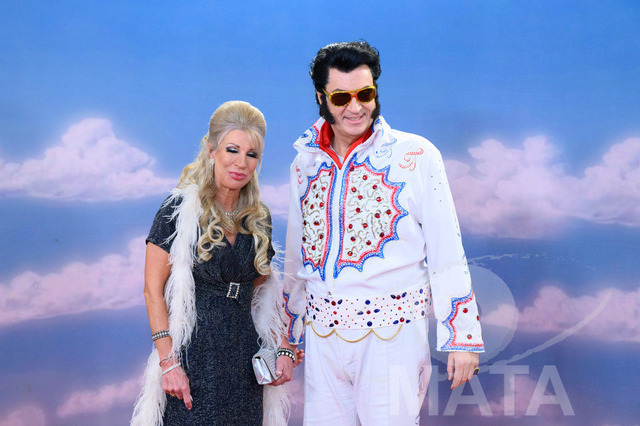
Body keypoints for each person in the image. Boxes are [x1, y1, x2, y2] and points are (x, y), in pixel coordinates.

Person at [283, 41, 485, 425]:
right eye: (341, 97)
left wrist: (462, 337)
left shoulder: (416, 155)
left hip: (392, 337)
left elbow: (446, 249)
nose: (355, 107)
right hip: (322, 336)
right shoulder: (304, 163)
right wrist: (288, 334)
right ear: (321, 98)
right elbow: (298, 254)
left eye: (365, 94)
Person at [131, 100, 300, 426]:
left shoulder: (258, 217)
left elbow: (262, 294)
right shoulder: (178, 210)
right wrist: (168, 362)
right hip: (193, 360)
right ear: (211, 151)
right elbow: (152, 291)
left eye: (251, 154)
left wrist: (282, 347)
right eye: (232, 150)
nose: (241, 163)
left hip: (244, 366)